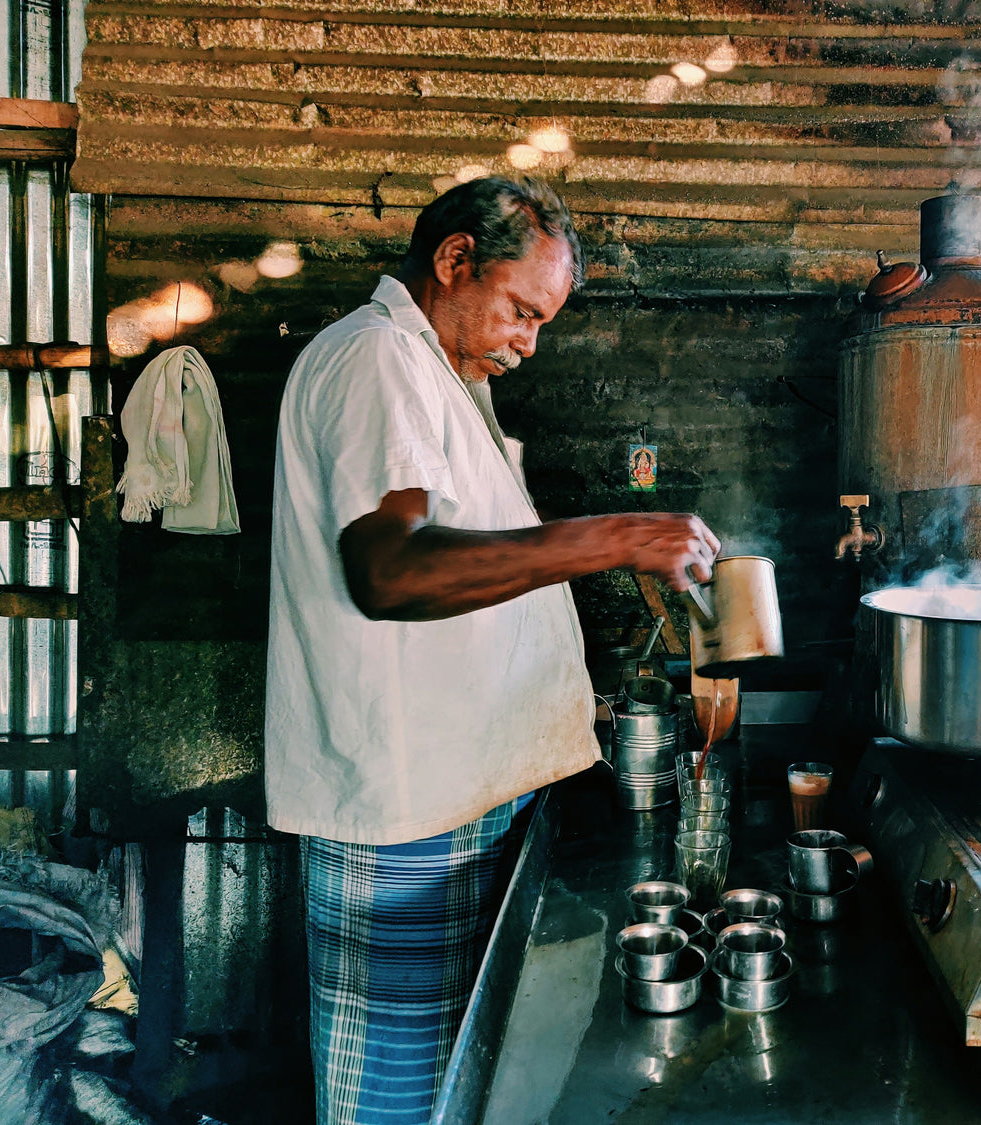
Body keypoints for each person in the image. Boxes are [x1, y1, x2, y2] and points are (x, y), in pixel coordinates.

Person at [264, 176, 721, 1125]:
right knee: (394, 1100)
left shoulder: (440, 379)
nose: (528, 342)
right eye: (522, 311)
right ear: (453, 261)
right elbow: (391, 571)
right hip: (405, 821)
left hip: (457, 800)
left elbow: (472, 573)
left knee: (460, 1085)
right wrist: (616, 537)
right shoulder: (378, 360)